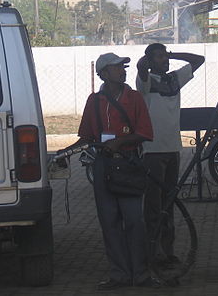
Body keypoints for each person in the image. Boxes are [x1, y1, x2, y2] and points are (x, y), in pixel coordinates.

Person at [65, 52, 161, 290]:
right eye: (117, 67)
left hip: (129, 165)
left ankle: (141, 274)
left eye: (122, 67)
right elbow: (86, 138)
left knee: (134, 221)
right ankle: (119, 275)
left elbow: (146, 133)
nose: (122, 70)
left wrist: (119, 142)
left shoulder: (135, 98)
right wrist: (61, 154)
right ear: (104, 74)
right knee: (109, 222)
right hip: (103, 167)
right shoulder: (93, 101)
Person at [136, 43, 204, 269]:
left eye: (166, 57)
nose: (165, 61)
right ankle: (153, 252)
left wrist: (173, 55)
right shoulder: (144, 81)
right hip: (152, 151)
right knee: (154, 205)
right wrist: (148, 61)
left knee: (168, 203)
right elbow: (140, 67)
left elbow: (198, 60)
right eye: (160, 57)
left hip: (173, 149)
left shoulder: (174, 79)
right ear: (150, 60)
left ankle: (167, 251)